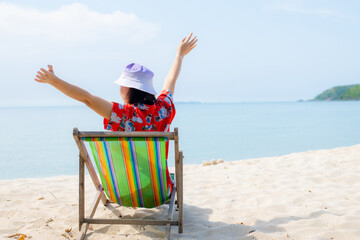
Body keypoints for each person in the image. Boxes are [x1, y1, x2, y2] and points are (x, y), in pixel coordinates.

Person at [34, 33, 197, 132]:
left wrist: (54, 81)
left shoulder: (124, 115)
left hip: (123, 187)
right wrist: (179, 55)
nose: (119, 89)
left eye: (122, 85)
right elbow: (171, 81)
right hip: (159, 185)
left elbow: (87, 98)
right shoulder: (164, 109)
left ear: (128, 89)